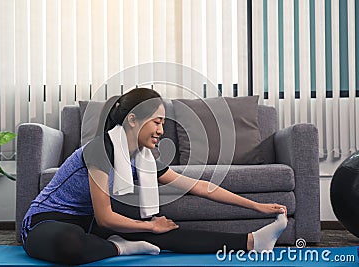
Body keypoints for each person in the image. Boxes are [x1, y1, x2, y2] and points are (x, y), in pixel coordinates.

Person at [21, 88, 288, 265]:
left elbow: (200, 187)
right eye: (157, 122)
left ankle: (252, 242)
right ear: (133, 120)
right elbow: (105, 216)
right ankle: (121, 248)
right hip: (46, 222)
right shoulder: (100, 150)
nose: (161, 130)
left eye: (162, 123)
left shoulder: (143, 157)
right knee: (71, 243)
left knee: (165, 231)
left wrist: (256, 206)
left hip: (88, 226)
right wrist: (149, 227)